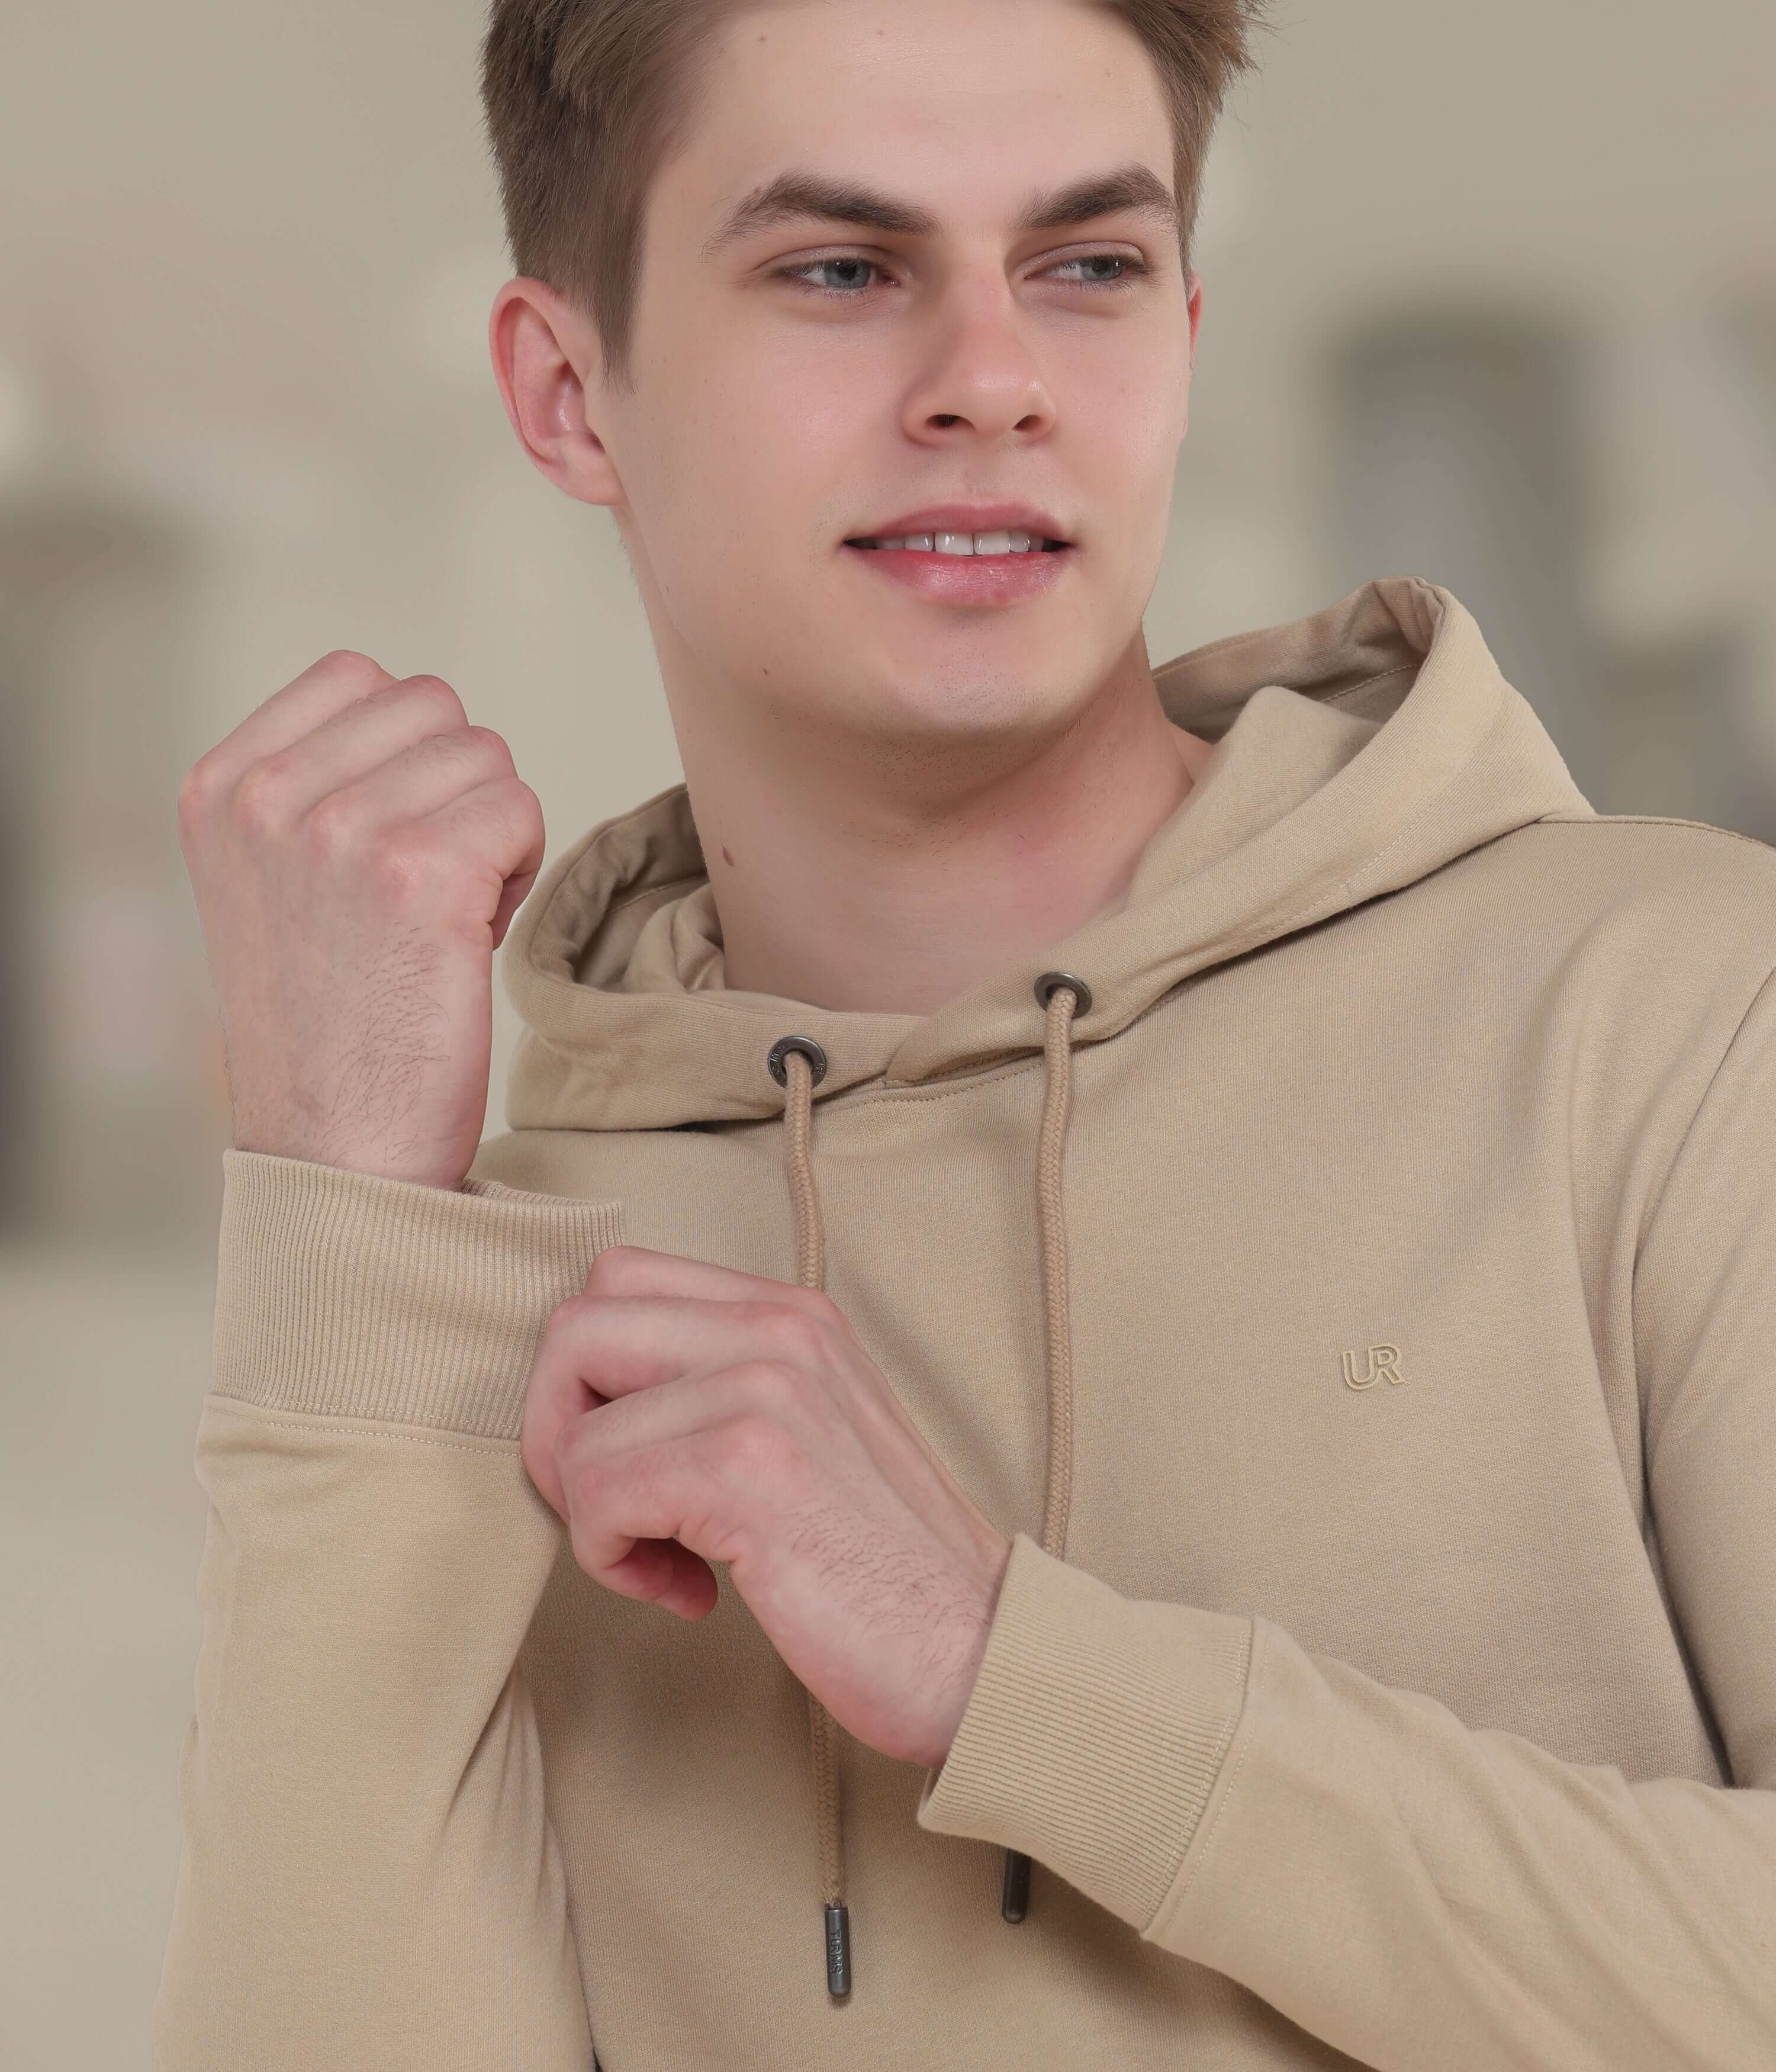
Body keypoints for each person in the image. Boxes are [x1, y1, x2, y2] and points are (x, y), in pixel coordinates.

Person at [155, 0, 1776, 2066]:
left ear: (1182, 337)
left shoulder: (1679, 1011)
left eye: (1084, 268)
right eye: (841, 269)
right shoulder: (493, 1271)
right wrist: (345, 1220)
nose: (992, 383)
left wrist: (1015, 1668)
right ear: (570, 394)